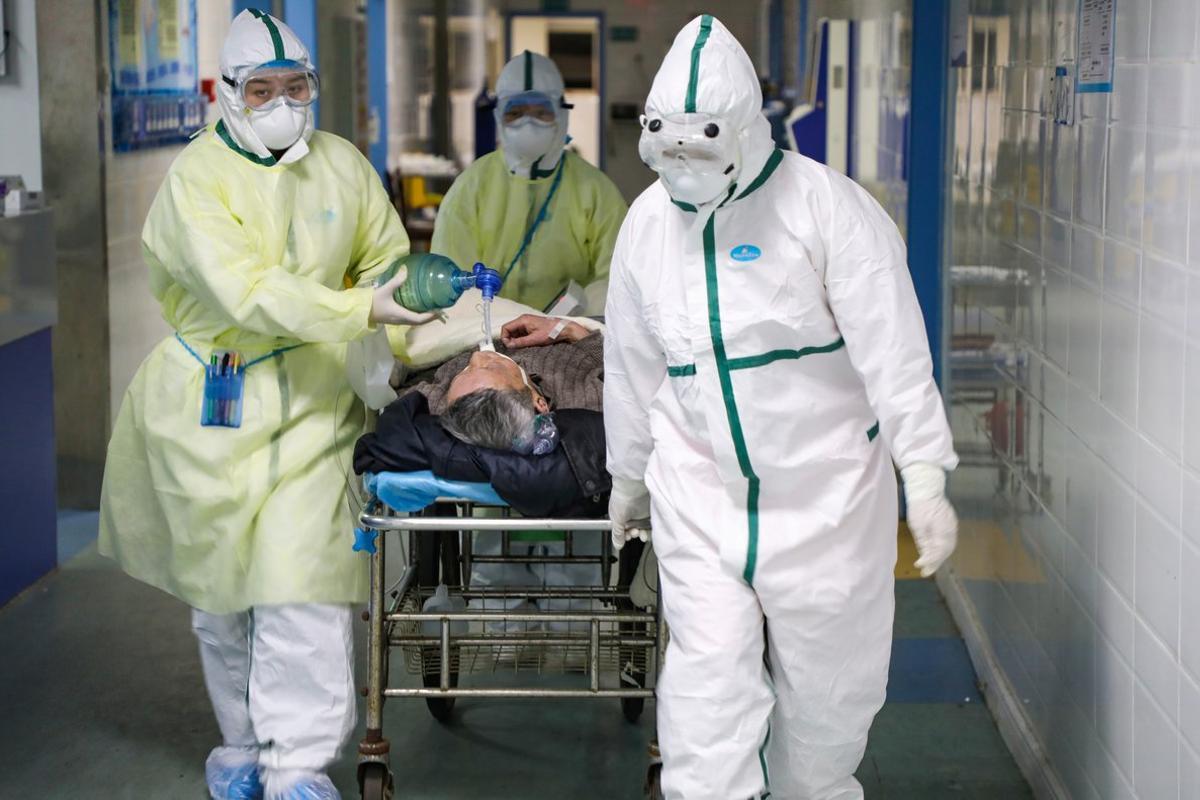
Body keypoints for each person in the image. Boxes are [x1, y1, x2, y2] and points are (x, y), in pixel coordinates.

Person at [603, 16, 959, 800]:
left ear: (741, 132)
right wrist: (627, 477)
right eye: (668, 152)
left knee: (829, 707)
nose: (682, 168)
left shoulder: (827, 210)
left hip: (825, 496)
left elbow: (894, 350)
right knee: (705, 696)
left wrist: (923, 470)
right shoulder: (646, 227)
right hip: (700, 495)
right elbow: (629, 368)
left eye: (699, 149)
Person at [97, 11, 433, 800]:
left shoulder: (342, 165)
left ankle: (296, 766)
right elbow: (245, 291)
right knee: (223, 599)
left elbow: (384, 258)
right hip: (216, 404)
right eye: (262, 90)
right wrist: (361, 311)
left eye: (296, 87)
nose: (283, 103)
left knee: (300, 586)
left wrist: (384, 312)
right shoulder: (196, 180)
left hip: (315, 402)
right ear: (226, 95)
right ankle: (241, 745)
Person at [430, 50, 627, 314]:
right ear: (499, 117)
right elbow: (449, 277)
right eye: (516, 112)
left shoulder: (595, 191)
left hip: (569, 336)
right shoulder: (471, 187)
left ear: (562, 115)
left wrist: (576, 320)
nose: (528, 124)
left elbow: (618, 278)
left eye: (541, 112)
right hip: (484, 333)